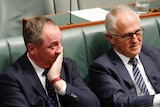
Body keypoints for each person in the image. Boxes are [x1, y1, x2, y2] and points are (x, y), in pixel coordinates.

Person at [0, 16, 100, 107]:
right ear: (31, 49)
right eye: (53, 46)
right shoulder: (11, 79)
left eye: (60, 43)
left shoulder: (67, 66)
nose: (60, 50)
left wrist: (58, 82)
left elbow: (93, 103)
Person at [89, 5, 160, 107]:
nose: (135, 40)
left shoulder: (154, 53)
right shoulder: (101, 68)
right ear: (110, 38)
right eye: (127, 35)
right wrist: (157, 100)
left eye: (138, 32)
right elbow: (118, 101)